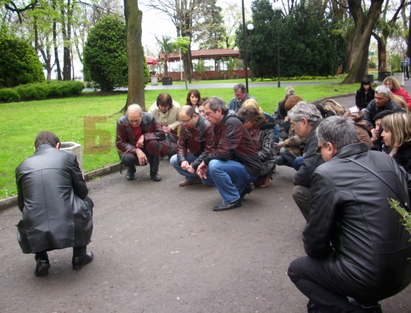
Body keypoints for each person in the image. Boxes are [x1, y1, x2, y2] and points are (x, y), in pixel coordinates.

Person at [288, 116, 411, 313]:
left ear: (330, 147)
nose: (320, 154)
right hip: (404, 270)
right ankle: (367, 302)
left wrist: (331, 258)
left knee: (299, 269)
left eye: (319, 149)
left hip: (371, 277)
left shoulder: (327, 172)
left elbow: (315, 240)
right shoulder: (386, 159)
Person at [15, 131, 94, 276]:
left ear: (35, 149)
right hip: (67, 215)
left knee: (31, 212)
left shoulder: (21, 167)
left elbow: (22, 202)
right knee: (86, 203)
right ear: (57, 146)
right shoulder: (68, 158)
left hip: (33, 219)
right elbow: (82, 191)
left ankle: (42, 259)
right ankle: (79, 256)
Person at [196, 96, 262, 211]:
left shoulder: (232, 123)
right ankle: (241, 187)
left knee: (214, 165)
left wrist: (206, 161)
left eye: (208, 113)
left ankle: (232, 199)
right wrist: (201, 164)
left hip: (250, 168)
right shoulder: (218, 124)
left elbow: (224, 153)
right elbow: (213, 149)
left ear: (219, 111)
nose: (205, 117)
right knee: (205, 172)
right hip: (237, 165)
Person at [288, 102, 324, 220]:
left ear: (304, 122)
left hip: (338, 188)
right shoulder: (322, 129)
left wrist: (297, 178)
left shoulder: (317, 137)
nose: (292, 129)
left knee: (299, 191)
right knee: (300, 161)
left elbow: (308, 171)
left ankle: (319, 226)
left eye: (293, 124)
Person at [116, 104, 162, 182]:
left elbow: (161, 133)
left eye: (137, 120)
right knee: (128, 159)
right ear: (127, 116)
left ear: (142, 115)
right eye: (131, 120)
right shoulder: (121, 121)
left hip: (146, 146)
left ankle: (154, 172)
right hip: (130, 148)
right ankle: (131, 170)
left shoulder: (150, 118)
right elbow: (120, 142)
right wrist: (137, 150)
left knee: (154, 144)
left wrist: (145, 136)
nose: (134, 123)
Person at [170, 105, 214, 186]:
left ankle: (209, 178)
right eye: (182, 121)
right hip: (195, 154)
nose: (184, 124)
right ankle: (194, 178)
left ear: (194, 116)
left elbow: (209, 150)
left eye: (186, 121)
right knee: (174, 160)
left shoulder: (207, 126)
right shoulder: (185, 126)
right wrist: (183, 160)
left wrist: (194, 165)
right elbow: (181, 145)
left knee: (211, 179)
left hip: (208, 158)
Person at [237, 106, 276, 188]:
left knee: (256, 183)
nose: (244, 124)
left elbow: (266, 152)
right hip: (247, 159)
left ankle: (267, 174)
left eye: (247, 121)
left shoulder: (267, 130)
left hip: (262, 161)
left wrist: (249, 159)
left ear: (254, 119)